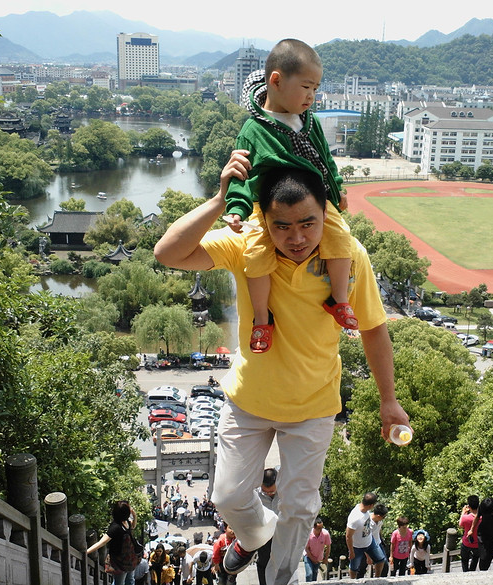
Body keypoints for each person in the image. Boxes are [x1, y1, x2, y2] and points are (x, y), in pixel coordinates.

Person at [153, 153, 410, 585]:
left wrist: (389, 400)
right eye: (282, 226)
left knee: (300, 507)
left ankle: (280, 578)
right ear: (265, 221)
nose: (296, 237)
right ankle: (254, 533)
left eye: (308, 223)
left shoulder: (345, 257)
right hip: (248, 399)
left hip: (313, 405)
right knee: (228, 496)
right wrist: (221, 199)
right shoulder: (247, 243)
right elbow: (169, 253)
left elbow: (373, 328)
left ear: (324, 213)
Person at [223, 38, 357, 353]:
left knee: (340, 236)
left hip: (313, 200)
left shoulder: (309, 123)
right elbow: (242, 174)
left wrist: (337, 192)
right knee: (255, 254)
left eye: (316, 88)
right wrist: (237, 209)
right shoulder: (254, 130)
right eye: (306, 87)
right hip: (269, 207)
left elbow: (326, 161)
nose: (312, 96)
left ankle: (338, 300)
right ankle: (261, 318)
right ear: (277, 81)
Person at [86, 500, 138, 585]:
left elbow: (133, 526)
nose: (131, 509)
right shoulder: (115, 527)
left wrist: (134, 515)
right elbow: (102, 542)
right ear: (125, 513)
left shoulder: (126, 522)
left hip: (129, 558)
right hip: (120, 561)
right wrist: (86, 552)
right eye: (129, 508)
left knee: (130, 581)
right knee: (120, 582)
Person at [346, 492, 386, 579]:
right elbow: (348, 536)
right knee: (354, 568)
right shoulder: (355, 518)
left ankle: (376, 579)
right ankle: (352, 582)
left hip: (370, 541)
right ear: (371, 505)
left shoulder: (364, 509)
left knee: (380, 560)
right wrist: (351, 551)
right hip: (357, 546)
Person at [254, 468, 278, 585]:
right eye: (266, 492)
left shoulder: (286, 489)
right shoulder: (256, 493)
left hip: (282, 533)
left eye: (272, 492)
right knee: (263, 562)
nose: (269, 494)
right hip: (265, 534)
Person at [356, 503, 388, 578]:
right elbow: (363, 538)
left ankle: (379, 580)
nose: (384, 518)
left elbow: (379, 530)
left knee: (384, 564)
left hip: (377, 543)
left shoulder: (379, 520)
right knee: (362, 567)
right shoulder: (367, 522)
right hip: (365, 545)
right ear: (378, 516)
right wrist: (368, 556)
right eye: (383, 517)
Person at [303, 517, 331, 582]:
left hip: (318, 557)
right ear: (314, 527)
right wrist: (313, 559)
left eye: (321, 528)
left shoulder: (325, 534)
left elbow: (328, 546)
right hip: (308, 556)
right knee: (309, 574)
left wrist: (326, 558)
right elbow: (306, 548)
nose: (320, 530)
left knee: (314, 575)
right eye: (319, 529)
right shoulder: (308, 534)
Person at [458, 495, 480, 572]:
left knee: (464, 560)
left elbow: (460, 525)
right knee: (475, 558)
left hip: (467, 542)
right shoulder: (482, 517)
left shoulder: (466, 517)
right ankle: (472, 572)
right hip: (477, 543)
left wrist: (463, 512)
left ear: (469, 506)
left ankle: (465, 572)